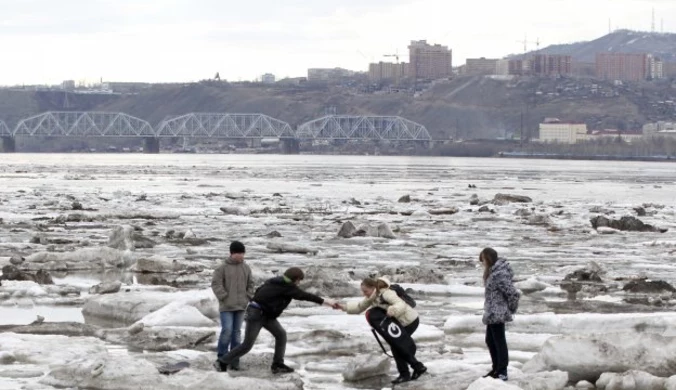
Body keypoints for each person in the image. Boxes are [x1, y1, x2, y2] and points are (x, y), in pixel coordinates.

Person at [214, 267, 337, 373]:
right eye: (299, 280)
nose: (299, 283)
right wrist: (327, 302)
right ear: (296, 279)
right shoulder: (287, 287)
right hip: (257, 315)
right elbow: (305, 296)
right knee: (247, 345)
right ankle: (222, 362)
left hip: (265, 314)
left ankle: (277, 364)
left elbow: (258, 291)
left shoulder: (274, 281)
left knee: (281, 334)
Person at [336, 277, 427, 384]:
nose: (364, 294)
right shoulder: (372, 297)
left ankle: (407, 373)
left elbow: (400, 304)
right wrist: (343, 307)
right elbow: (360, 307)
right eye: (363, 291)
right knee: (398, 346)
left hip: (409, 321)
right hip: (400, 322)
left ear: (373, 287)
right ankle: (416, 368)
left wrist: (393, 310)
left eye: (365, 291)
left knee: (397, 347)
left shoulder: (386, 293)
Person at [211, 240, 254, 371]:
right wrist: (224, 296)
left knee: (237, 334)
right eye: (239, 253)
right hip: (227, 307)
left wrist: (248, 296)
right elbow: (216, 284)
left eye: (242, 253)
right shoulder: (222, 268)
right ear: (232, 253)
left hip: (241, 306)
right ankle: (222, 358)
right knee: (227, 331)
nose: (241, 255)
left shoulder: (246, 268)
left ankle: (234, 360)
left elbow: (251, 284)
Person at [479, 247, 520, 381]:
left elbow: (512, 293)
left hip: (498, 312)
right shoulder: (492, 272)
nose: (482, 263)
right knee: (490, 340)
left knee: (499, 342)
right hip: (492, 312)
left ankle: (502, 371)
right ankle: (496, 368)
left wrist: (511, 309)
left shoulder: (499, 274)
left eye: (483, 260)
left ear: (488, 259)